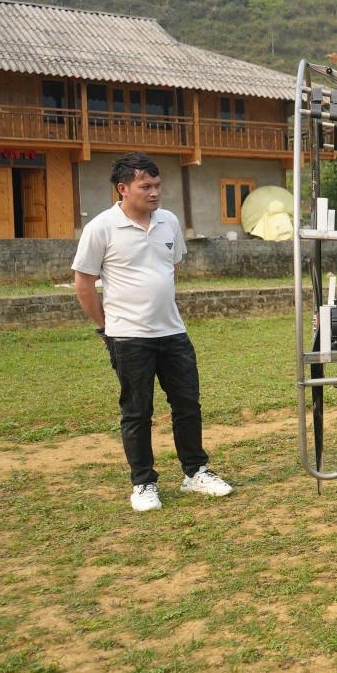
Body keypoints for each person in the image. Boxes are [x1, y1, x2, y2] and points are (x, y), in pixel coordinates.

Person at [72, 152, 232, 512]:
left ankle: (195, 472)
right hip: (129, 337)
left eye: (158, 185)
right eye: (146, 186)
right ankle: (143, 483)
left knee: (187, 404)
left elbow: (171, 269)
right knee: (137, 411)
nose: (155, 192)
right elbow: (84, 284)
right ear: (123, 188)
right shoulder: (101, 228)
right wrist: (106, 328)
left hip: (173, 332)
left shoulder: (169, 222)